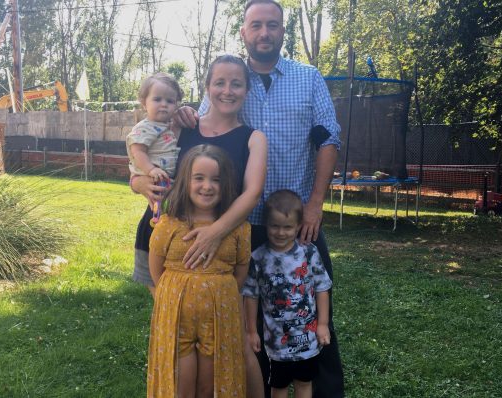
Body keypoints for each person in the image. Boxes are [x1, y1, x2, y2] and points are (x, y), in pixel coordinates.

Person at [174, 1, 345, 396]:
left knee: (312, 310)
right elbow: (204, 127)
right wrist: (183, 114)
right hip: (239, 222)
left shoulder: (308, 77)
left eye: (272, 25)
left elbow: (329, 138)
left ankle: (322, 391)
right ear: (244, 32)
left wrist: (316, 205)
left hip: (295, 220)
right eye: (256, 25)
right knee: (246, 315)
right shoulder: (230, 78)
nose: (264, 32)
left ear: (283, 30)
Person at [132, 55, 268, 397]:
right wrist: (139, 184)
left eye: (236, 83)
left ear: (246, 90)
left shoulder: (253, 138)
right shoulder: (183, 123)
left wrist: (215, 232)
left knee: (230, 344)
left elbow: (252, 193)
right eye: (219, 82)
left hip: (222, 246)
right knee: (175, 335)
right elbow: (141, 163)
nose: (227, 90)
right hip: (165, 241)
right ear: (207, 88)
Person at [147, 144, 249, 397]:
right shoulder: (168, 224)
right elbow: (156, 270)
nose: (207, 186)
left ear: (225, 184)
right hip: (176, 316)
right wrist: (176, 291)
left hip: (219, 317)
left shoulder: (238, 228)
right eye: (199, 178)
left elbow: (241, 272)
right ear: (185, 181)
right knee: (180, 381)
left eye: (216, 179)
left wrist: (219, 290)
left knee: (210, 384)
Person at [243, 190, 332, 398]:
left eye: (288, 227)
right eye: (275, 226)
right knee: (278, 387)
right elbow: (250, 295)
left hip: (308, 341)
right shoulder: (258, 258)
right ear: (266, 224)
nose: (280, 233)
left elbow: (322, 288)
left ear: (299, 226)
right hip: (277, 344)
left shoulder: (309, 253)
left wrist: (322, 324)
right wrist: (251, 331)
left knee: (304, 384)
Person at [126, 72, 182, 185]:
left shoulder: (168, 126)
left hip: (166, 177)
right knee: (161, 202)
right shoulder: (144, 127)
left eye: (170, 101)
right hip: (154, 178)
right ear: (144, 104)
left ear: (176, 105)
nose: (164, 104)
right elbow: (137, 152)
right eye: (157, 99)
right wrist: (151, 170)